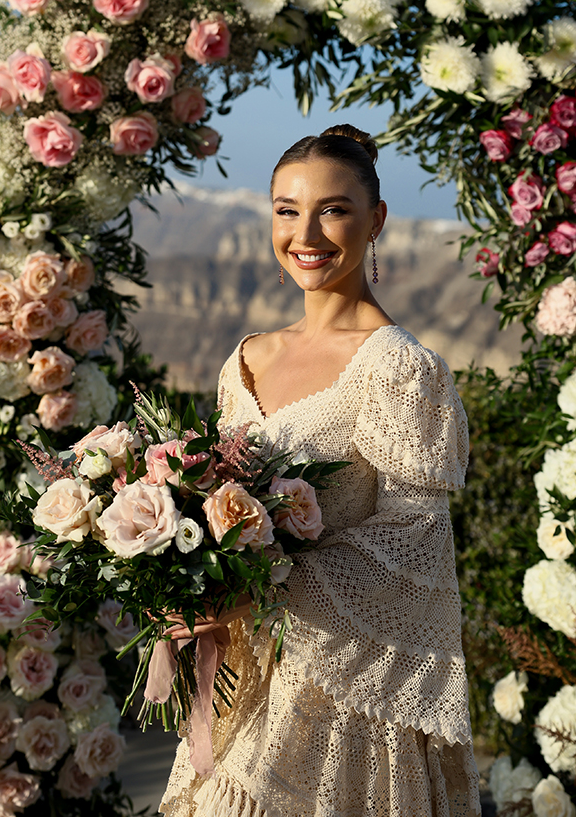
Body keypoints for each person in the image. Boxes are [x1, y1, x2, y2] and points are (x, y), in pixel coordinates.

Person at [160, 124, 481, 817]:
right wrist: (180, 573)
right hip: (246, 683)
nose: (306, 232)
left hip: (341, 703)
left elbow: (414, 545)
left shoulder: (400, 367)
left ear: (376, 222)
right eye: (287, 209)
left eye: (333, 209)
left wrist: (260, 593)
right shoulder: (246, 359)